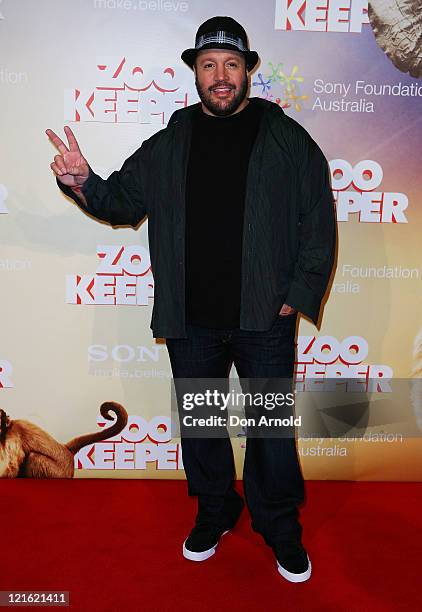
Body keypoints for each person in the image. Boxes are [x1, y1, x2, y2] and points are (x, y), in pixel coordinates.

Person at [47, 16, 336, 583]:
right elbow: (122, 201)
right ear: (196, 74)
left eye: (232, 65)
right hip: (192, 320)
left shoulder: (288, 139)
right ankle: (214, 510)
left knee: (271, 432)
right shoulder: (169, 141)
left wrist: (296, 294)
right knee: (202, 429)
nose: (221, 76)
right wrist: (82, 181)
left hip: (263, 319)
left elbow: (318, 223)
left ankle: (278, 526)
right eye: (209, 65)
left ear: (247, 70)